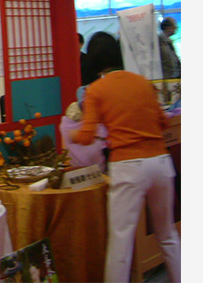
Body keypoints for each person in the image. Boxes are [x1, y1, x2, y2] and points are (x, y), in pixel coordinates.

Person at [70, 32, 180, 282]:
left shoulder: (95, 90)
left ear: (95, 61)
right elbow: (163, 121)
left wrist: (70, 134)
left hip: (128, 167)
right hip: (161, 163)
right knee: (168, 235)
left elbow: (86, 136)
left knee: (121, 241)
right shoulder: (142, 82)